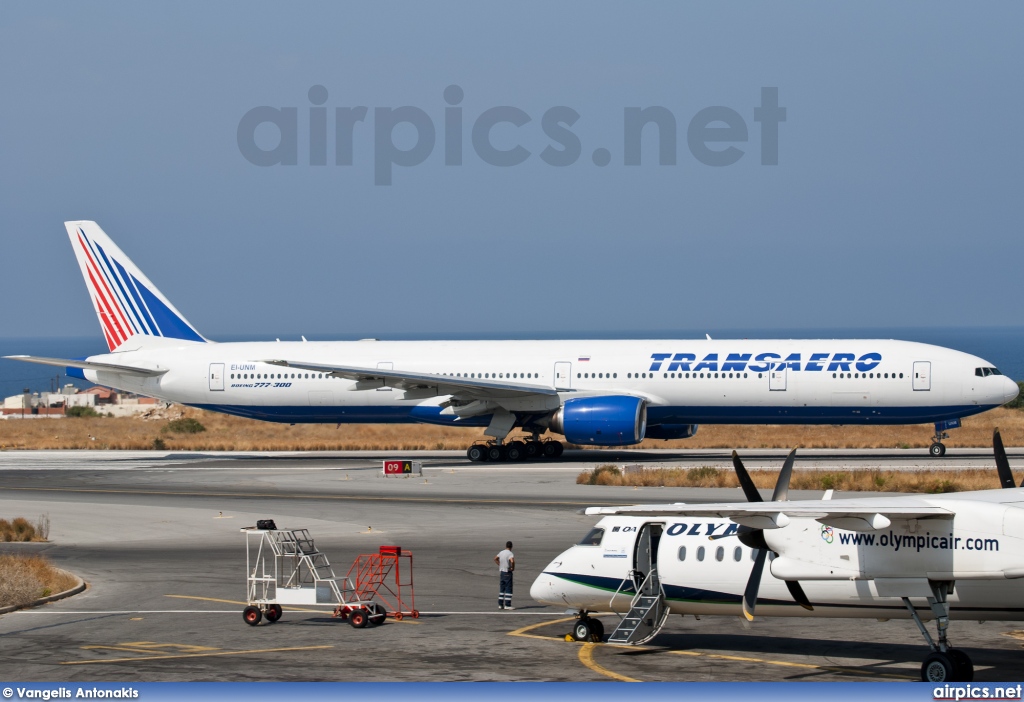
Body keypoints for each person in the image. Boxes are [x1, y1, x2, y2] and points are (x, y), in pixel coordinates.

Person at [494, 541, 515, 610]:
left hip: (502, 572)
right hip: (507, 572)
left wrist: (500, 564)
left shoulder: (501, 552)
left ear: (506, 546)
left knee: (502, 589)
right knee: (508, 588)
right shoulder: (510, 553)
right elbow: (512, 561)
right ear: (511, 547)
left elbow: (495, 558)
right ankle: (507, 604)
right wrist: (512, 567)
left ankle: (500, 604)